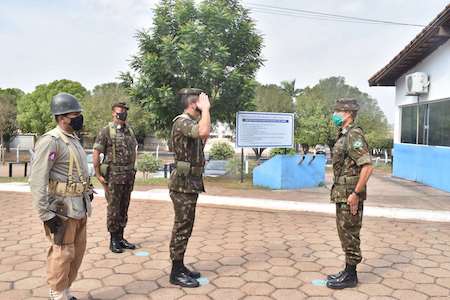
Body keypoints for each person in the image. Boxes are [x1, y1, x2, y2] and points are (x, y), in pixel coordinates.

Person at [30, 93, 94, 300]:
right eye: (75, 114)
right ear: (62, 117)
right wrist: (45, 214)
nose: (79, 117)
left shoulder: (73, 140)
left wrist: (88, 191)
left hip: (79, 206)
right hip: (62, 208)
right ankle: (57, 293)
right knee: (62, 252)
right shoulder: (51, 141)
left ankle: (65, 290)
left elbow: (79, 170)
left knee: (77, 251)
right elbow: (37, 179)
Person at [327, 98, 374, 289]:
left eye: (338, 111)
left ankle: (351, 276)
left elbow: (367, 167)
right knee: (344, 233)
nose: (335, 115)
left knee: (350, 233)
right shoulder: (344, 134)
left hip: (350, 195)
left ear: (347, 113)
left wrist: (355, 193)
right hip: (342, 193)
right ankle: (348, 270)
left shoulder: (354, 135)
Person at [168, 88, 211, 288]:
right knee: (182, 226)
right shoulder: (182, 122)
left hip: (190, 183)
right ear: (194, 105)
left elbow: (203, 137)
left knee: (187, 225)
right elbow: (203, 132)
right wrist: (207, 110)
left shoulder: (190, 124)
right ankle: (175, 272)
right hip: (182, 185)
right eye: (202, 104)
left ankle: (180, 265)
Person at [93, 102, 138, 253]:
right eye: (120, 111)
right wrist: (98, 174)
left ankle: (121, 237)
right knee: (114, 208)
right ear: (113, 113)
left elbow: (134, 151)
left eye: (125, 111)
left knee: (124, 207)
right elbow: (96, 153)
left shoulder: (130, 130)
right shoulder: (107, 131)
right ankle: (113, 240)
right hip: (114, 176)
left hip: (128, 176)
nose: (123, 113)